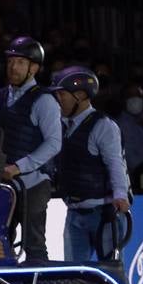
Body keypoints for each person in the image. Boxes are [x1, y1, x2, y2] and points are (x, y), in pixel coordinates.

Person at [0, 36, 61, 261]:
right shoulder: (0, 97)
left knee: (34, 243)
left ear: (34, 68)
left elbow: (54, 142)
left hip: (33, 183)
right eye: (10, 62)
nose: (13, 67)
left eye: (20, 62)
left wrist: (19, 167)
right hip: (2, 181)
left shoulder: (44, 100)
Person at [49, 67, 131, 262]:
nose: (58, 99)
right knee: (73, 275)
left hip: (103, 213)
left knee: (111, 275)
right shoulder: (60, 125)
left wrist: (120, 194)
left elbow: (115, 163)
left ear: (80, 95)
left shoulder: (103, 126)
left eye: (62, 94)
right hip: (74, 212)